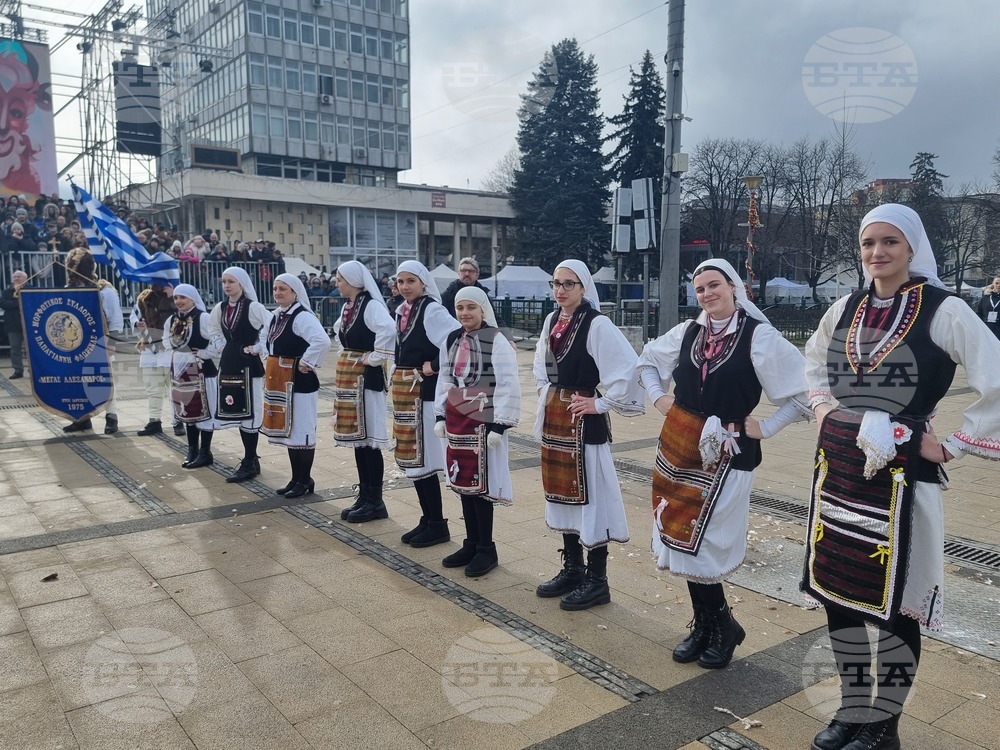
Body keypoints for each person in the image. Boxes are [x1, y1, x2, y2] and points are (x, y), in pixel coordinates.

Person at [803, 204, 1000, 750]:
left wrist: (955, 444)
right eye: (868, 243)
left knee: (895, 603)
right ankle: (852, 708)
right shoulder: (844, 306)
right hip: (839, 468)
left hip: (902, 476)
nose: (877, 253)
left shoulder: (945, 310)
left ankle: (884, 724)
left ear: (912, 248)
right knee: (838, 595)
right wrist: (822, 409)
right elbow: (814, 362)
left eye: (890, 242)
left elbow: (996, 374)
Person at [637, 258, 810, 669]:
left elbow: (805, 391)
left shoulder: (758, 337)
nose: (707, 294)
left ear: (733, 287)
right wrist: (660, 398)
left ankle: (723, 627)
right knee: (680, 535)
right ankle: (707, 625)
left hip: (730, 452)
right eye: (699, 289)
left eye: (714, 285)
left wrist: (767, 426)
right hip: (679, 445)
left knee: (706, 540)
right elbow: (646, 359)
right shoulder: (688, 332)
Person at [532, 260, 645, 611]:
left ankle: (598, 581)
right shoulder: (552, 320)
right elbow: (540, 366)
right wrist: (549, 394)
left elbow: (628, 369)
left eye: (569, 283)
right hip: (557, 418)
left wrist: (601, 403)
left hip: (585, 424)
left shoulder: (597, 324)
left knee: (591, 496)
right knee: (563, 494)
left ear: (583, 288)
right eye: (556, 283)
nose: (561, 290)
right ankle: (572, 568)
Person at [434, 286, 520, 576]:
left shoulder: (496, 339)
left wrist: (501, 425)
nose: (465, 313)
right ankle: (471, 543)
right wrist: (440, 413)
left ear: (483, 309)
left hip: (484, 419)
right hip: (459, 418)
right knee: (463, 481)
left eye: (471, 307)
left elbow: (508, 382)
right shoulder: (452, 339)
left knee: (481, 486)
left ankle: (486, 548)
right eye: (460, 308)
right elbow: (445, 378)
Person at [391, 260, 461, 547]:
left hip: (424, 393)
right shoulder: (403, 310)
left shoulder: (431, 309)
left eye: (411, 281)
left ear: (423, 283)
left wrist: (433, 364)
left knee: (426, 459)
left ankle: (437, 523)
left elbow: (458, 339)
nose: (405, 286)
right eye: (401, 281)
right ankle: (428, 518)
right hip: (407, 392)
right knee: (414, 457)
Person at [331, 261, 395, 522]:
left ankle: (376, 501)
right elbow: (340, 333)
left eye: (341, 279)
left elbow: (388, 330)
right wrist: (346, 354)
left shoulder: (370, 305)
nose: (337, 283)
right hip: (351, 378)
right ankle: (365, 495)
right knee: (359, 440)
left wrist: (376, 357)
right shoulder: (350, 307)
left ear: (355, 280)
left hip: (367, 380)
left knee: (369, 441)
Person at [262, 273, 331, 497]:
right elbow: (266, 342)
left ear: (295, 292)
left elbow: (322, 340)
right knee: (290, 431)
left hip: (300, 381)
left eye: (283, 288)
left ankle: (305, 480)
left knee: (302, 431)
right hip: (282, 380)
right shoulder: (276, 315)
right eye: (275, 288)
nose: (278, 292)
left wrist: (306, 362)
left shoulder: (302, 317)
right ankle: (296, 478)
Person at [207, 267, 272, 480]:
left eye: (231, 281)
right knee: (237, 410)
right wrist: (219, 345)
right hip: (230, 363)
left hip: (248, 364)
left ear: (241, 284)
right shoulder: (220, 307)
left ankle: (250, 461)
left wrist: (258, 347)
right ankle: (251, 459)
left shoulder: (253, 307)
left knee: (251, 411)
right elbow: (213, 328)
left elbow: (271, 324)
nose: (226, 285)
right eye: (224, 281)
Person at [62, 248, 124, 434]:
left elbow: (115, 320)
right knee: (78, 383)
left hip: (100, 344)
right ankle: (82, 419)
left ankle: (111, 418)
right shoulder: (68, 291)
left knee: (104, 382)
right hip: (75, 346)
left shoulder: (105, 290)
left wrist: (111, 344)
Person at [163, 284, 219, 468]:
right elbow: (165, 341)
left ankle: (205, 452)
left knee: (205, 411)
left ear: (193, 299)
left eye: (183, 298)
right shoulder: (172, 319)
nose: (178, 301)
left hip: (203, 371)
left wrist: (204, 353)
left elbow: (219, 340)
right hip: (181, 370)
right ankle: (192, 450)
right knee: (187, 411)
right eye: (176, 298)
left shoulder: (203, 318)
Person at [132, 283, 184, 436]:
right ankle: (154, 420)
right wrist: (137, 323)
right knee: (153, 388)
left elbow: (182, 318)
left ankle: (178, 421)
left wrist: (171, 298)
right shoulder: (144, 298)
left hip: (170, 350)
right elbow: (134, 315)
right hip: (149, 349)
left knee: (174, 389)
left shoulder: (176, 296)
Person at [0, 270, 27, 378]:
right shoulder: (7, 291)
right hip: (13, 325)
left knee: (32, 349)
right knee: (15, 349)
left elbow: (27, 303)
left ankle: (33, 369)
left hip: (28, 324)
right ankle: (18, 370)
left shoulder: (30, 289)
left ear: (25, 278)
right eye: (14, 276)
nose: (16, 278)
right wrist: (18, 303)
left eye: (19, 276)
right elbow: (3, 304)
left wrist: (14, 303)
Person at [975, 274, 1000, 340]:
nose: (998, 285)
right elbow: (979, 313)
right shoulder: (985, 298)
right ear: (993, 284)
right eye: (996, 283)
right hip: (986, 330)